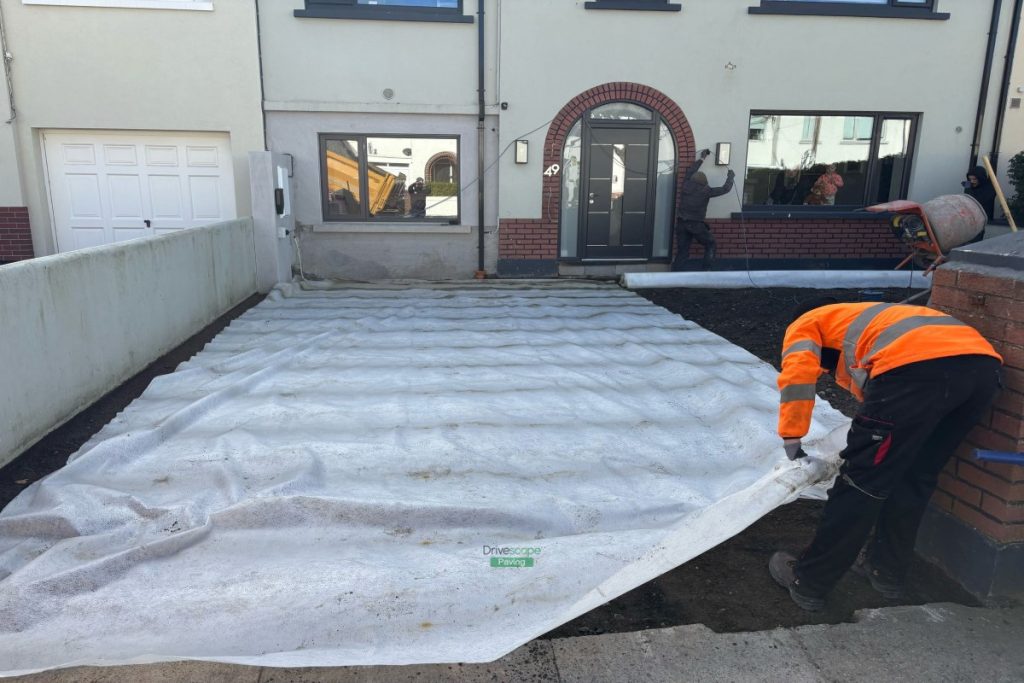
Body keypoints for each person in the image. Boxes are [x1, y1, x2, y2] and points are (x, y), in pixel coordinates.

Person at [769, 299, 1002, 611]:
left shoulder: (805, 323)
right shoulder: (874, 320)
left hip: (916, 371)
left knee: (861, 482)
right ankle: (885, 571)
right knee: (916, 477)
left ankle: (809, 580)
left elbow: (798, 374)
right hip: (983, 372)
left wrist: (792, 435)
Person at [672, 149, 734, 271]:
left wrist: (702, 158)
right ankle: (707, 272)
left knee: (682, 251)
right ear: (704, 182)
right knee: (710, 244)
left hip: (681, 223)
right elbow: (725, 189)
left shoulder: (686, 185)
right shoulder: (706, 191)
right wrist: (730, 177)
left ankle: (675, 276)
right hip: (696, 224)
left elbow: (691, 171)